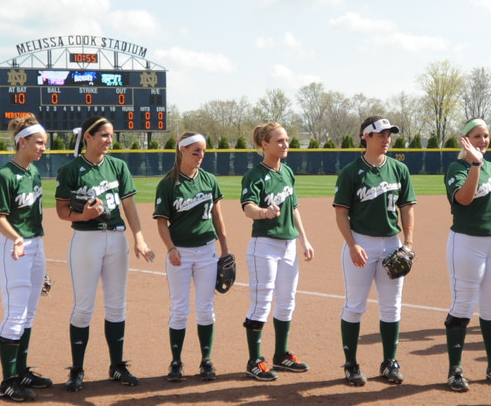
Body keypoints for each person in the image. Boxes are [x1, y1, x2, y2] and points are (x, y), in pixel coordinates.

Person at [56, 117, 155, 391]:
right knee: (84, 308)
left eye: (111, 136)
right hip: (86, 239)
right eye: (103, 135)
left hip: (116, 239)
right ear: (88, 136)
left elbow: (130, 205)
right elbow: (62, 210)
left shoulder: (118, 166)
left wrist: (139, 237)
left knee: (116, 305)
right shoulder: (72, 170)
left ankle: (117, 365)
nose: (109, 140)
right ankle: (76, 369)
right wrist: (83, 214)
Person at [333, 116, 416, 386]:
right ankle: (351, 363)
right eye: (381, 134)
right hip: (362, 242)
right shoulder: (351, 172)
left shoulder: (399, 169)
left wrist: (409, 242)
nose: (387, 139)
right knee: (355, 306)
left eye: (389, 134)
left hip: (392, 243)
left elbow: (406, 207)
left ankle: (389, 362)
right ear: (365, 136)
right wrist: (352, 244)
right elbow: (341, 213)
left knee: (392, 307)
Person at [240, 122, 315, 381]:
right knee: (261, 302)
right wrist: (264, 213)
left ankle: (281, 355)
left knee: (286, 301)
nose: (286, 144)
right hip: (265, 244)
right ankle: (254, 360)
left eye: (286, 140)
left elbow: (293, 207)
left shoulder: (287, 173)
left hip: (289, 245)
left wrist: (304, 239)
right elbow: (248, 207)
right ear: (265, 144)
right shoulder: (255, 175)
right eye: (280, 141)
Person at [443, 119, 491, 392]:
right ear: (465, 140)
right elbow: (464, 199)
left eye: (485, 136)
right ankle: (455, 370)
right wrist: (475, 165)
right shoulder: (457, 167)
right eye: (477, 136)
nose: (483, 141)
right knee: (462, 305)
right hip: (466, 243)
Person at [153, 132, 229, 382]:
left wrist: (225, 249)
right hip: (180, 254)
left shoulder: (209, 180)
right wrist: (171, 248)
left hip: (207, 250)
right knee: (179, 308)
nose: (200, 156)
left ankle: (206, 360)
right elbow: (162, 222)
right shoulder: (168, 183)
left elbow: (218, 217)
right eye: (195, 151)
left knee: (206, 308)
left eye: (203, 151)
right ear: (182, 150)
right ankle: (176, 362)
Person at [0, 115, 53, 402]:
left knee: (29, 314)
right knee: (15, 314)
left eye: (45, 143)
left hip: (35, 245)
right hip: (13, 247)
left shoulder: (33, 173)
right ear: (22, 142)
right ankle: (8, 381)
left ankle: (22, 371)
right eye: (39, 142)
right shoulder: (4, 175)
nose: (43, 148)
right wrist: (16, 238)